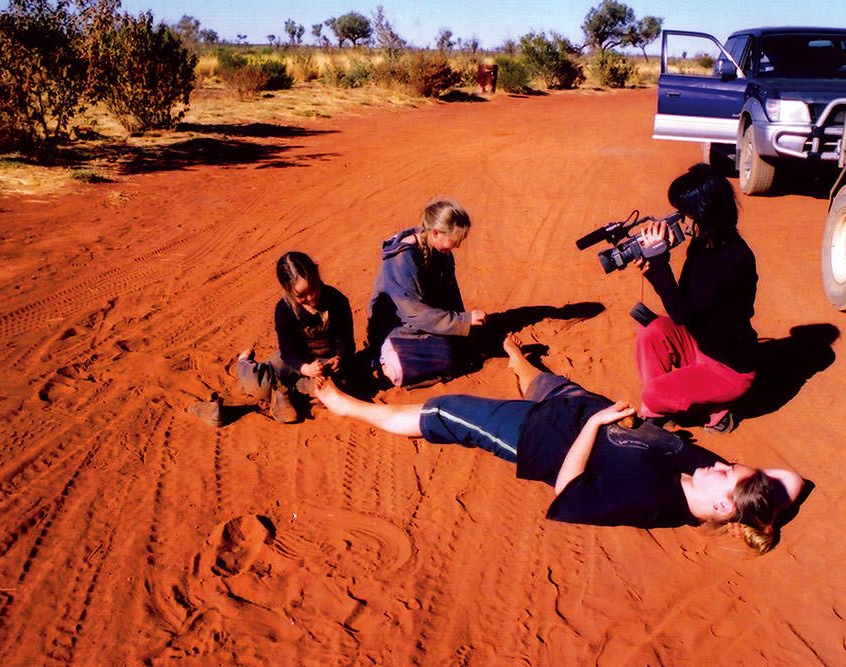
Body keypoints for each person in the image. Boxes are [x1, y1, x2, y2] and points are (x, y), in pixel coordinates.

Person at [315, 334, 804, 554]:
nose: (723, 463)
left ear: (722, 502)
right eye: (733, 464)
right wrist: (754, 495)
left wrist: (594, 429)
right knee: (543, 379)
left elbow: (566, 493)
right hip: (578, 407)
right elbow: (793, 481)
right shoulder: (707, 475)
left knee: (442, 411)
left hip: (539, 435)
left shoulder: (652, 500)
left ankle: (346, 406)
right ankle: (514, 357)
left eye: (728, 472)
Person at [634, 163, 759, 433]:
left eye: (685, 211)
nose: (681, 217)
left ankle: (712, 408)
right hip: (701, 344)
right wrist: (657, 265)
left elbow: (681, 312)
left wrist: (659, 265)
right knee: (652, 331)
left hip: (728, 369)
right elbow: (686, 301)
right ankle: (665, 405)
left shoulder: (728, 261)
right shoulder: (708, 242)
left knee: (651, 394)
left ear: (702, 211)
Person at [367, 199, 487, 387]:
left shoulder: (441, 250)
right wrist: (461, 322)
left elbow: (451, 296)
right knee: (447, 355)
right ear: (436, 233)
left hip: (426, 324)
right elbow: (414, 312)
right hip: (398, 328)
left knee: (464, 348)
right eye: (455, 240)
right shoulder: (402, 259)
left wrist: (465, 325)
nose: (457, 246)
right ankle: (384, 359)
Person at [235, 251, 355, 423]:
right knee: (256, 384)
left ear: (317, 272)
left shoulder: (337, 300)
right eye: (301, 295)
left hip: (325, 362)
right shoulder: (284, 309)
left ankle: (286, 394)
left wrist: (339, 357)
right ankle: (244, 363)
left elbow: (346, 341)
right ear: (288, 290)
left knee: (337, 387)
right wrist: (305, 368)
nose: (311, 297)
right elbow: (288, 351)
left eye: (314, 288)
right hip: (293, 361)